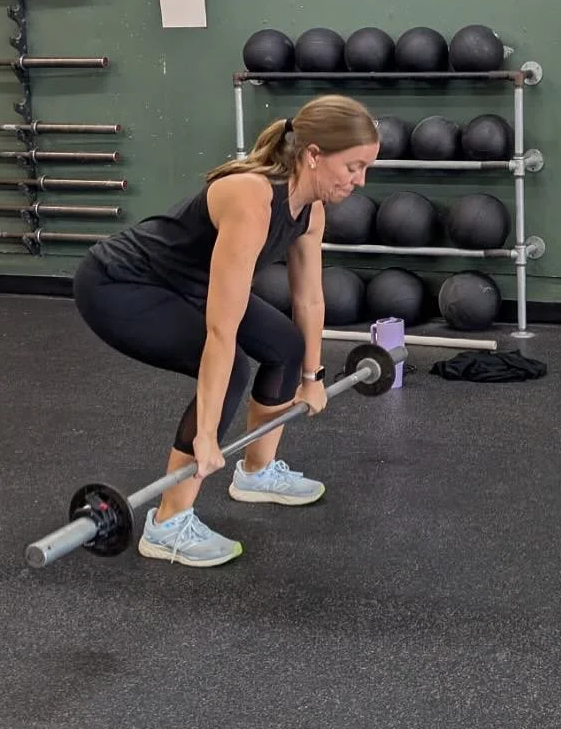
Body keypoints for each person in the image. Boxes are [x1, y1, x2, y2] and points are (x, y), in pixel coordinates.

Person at [72, 94, 380, 568]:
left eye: (366, 170)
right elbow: (221, 331)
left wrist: (312, 379)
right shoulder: (251, 196)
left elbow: (310, 299)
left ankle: (255, 472)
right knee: (231, 364)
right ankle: (168, 522)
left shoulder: (311, 210)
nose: (359, 182)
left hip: (188, 286)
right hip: (121, 284)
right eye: (354, 167)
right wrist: (207, 437)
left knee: (285, 345)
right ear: (314, 155)